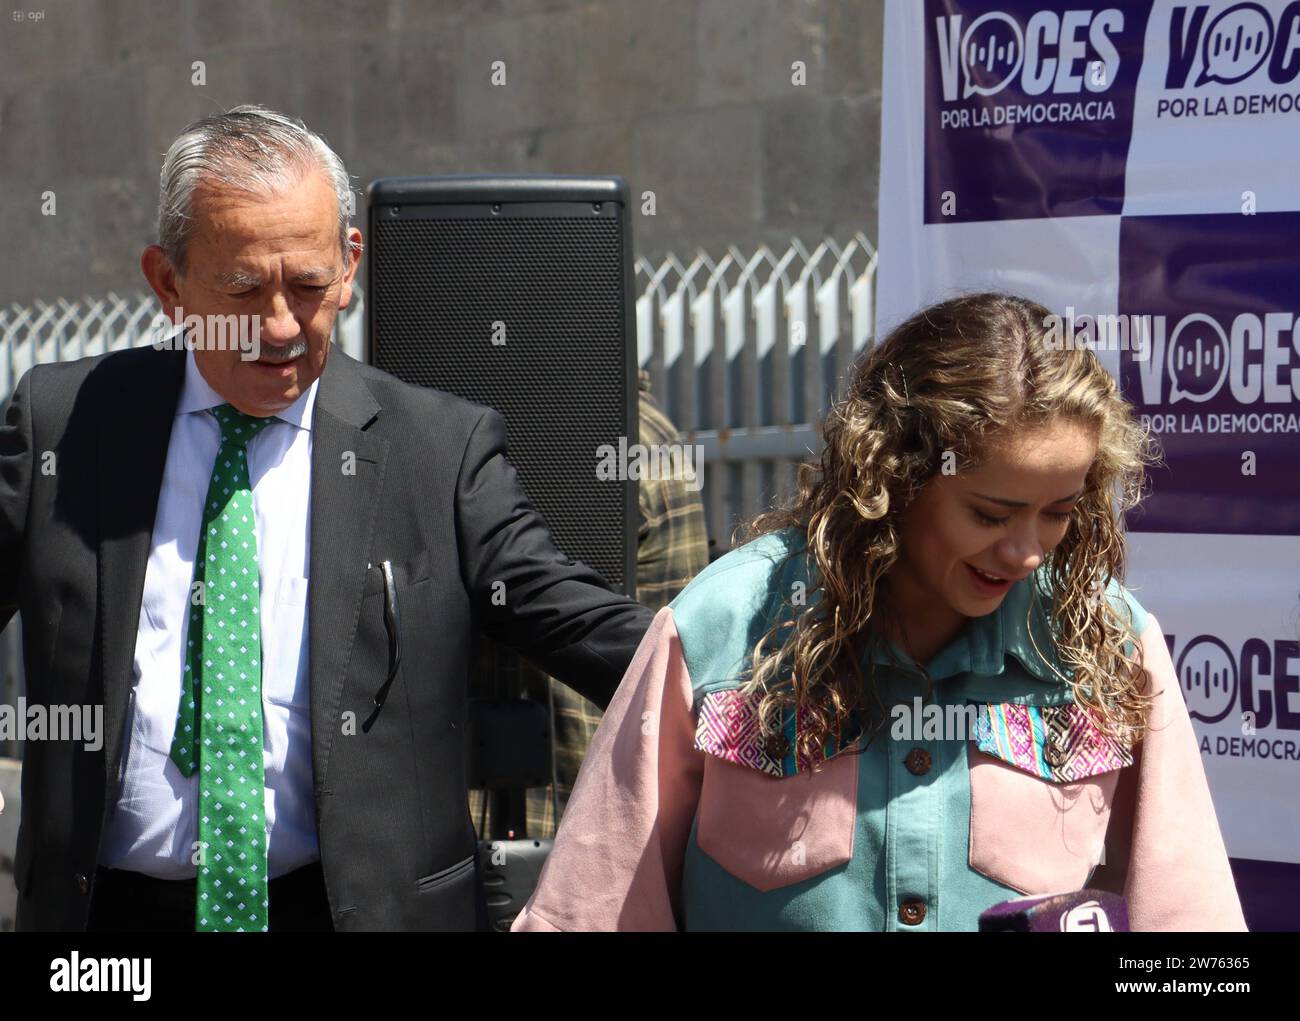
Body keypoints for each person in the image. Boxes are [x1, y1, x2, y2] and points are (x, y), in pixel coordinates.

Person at [0, 105, 653, 932]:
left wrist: (779, 678)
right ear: (169, 285)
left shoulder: (435, 449)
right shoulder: (66, 424)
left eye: (307, 286)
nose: (279, 326)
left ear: (349, 265)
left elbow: (575, 619)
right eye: (242, 290)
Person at [511, 291, 1248, 932]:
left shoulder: (1114, 645)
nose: (1027, 550)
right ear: (893, 473)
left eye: (1058, 512)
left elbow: (1189, 926)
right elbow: (593, 911)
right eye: (992, 514)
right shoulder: (721, 627)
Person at [468, 367, 710, 839]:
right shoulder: (648, 441)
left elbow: (673, 653)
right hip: (574, 817)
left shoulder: (641, 443)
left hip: (577, 810)